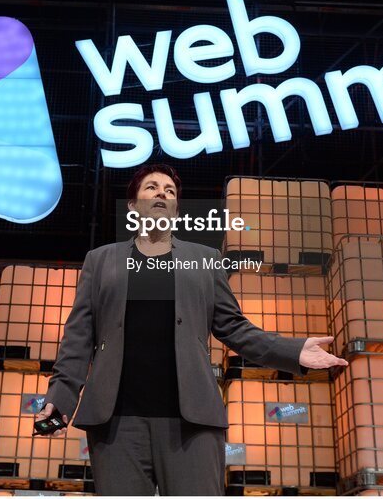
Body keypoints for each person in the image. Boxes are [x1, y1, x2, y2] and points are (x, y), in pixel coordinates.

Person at [35, 163, 347, 496]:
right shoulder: (101, 260)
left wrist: (293, 350)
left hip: (191, 422)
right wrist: (60, 399)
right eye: (151, 187)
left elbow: (235, 328)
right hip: (117, 423)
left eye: (169, 191)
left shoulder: (205, 259)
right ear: (132, 205)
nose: (161, 193)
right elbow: (79, 338)